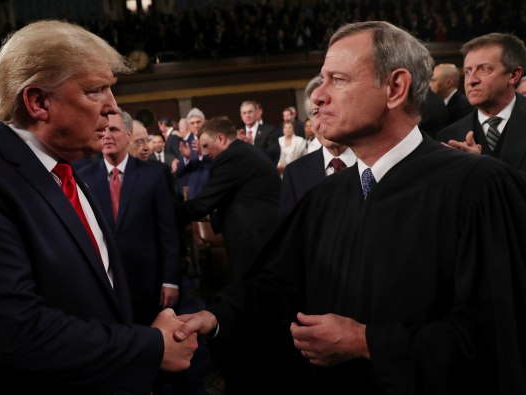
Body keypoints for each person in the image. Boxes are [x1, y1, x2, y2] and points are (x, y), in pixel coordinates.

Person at [175, 21, 526, 394]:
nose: (318, 97)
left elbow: (498, 339)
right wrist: (215, 317)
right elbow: (277, 287)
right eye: (321, 80)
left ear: (395, 88)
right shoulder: (324, 197)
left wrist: (367, 342)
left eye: (337, 80)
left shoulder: (479, 189)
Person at [0, 20, 197, 395]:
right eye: (95, 91)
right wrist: (150, 347)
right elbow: (11, 331)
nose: (113, 108)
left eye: (111, 89)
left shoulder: (69, 171)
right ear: (38, 102)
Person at [177, 116, 282, 394]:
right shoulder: (245, 153)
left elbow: (202, 204)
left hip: (253, 243)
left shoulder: (231, 158)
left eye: (207, 145)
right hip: (260, 240)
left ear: (221, 139)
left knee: (251, 305)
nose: (206, 152)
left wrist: (165, 211)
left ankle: (253, 372)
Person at [79, 108, 181, 325]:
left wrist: (170, 280)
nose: (106, 135)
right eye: (102, 130)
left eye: (113, 129)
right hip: (105, 283)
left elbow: (168, 232)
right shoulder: (83, 178)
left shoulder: (154, 174)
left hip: (148, 281)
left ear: (128, 134)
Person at [437, 32, 526, 171]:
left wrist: (481, 167)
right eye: (468, 71)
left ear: (514, 75)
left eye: (484, 69)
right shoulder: (448, 137)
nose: (472, 80)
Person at [280, 75, 356, 217]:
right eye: (316, 112)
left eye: (331, 111)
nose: (324, 121)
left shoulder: (374, 163)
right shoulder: (295, 174)